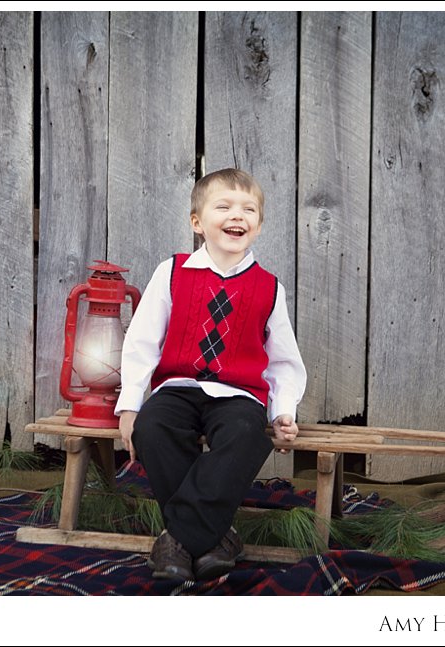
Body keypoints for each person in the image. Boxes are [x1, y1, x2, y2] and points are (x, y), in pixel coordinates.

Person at [115, 168, 307, 581]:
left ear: (258, 224)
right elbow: (143, 339)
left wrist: (283, 412)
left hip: (239, 394)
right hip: (179, 387)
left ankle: (178, 541)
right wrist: (130, 405)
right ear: (197, 222)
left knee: (246, 433)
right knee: (154, 428)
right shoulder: (172, 272)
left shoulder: (269, 288)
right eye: (224, 206)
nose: (237, 215)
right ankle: (218, 537)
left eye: (248, 209)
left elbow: (283, 361)